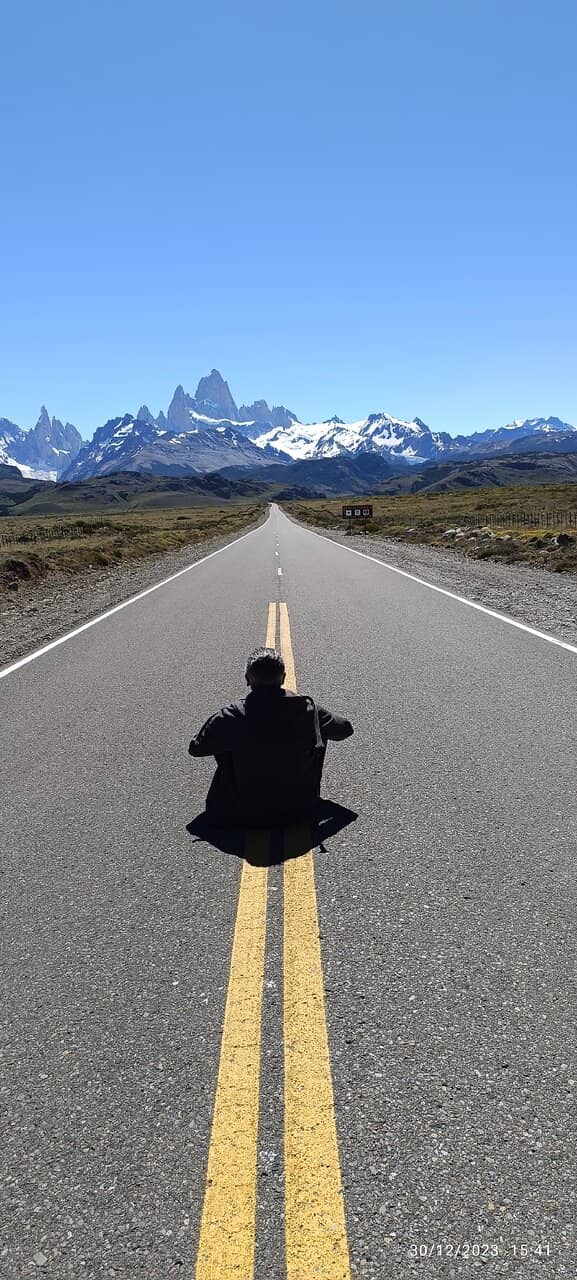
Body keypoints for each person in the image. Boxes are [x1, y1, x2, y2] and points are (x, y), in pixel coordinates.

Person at [188, 647, 354, 827]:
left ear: (247, 679)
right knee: (321, 730)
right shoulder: (307, 709)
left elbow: (196, 748)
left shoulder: (231, 715)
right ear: (283, 678)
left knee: (226, 739)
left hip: (242, 811)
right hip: (299, 810)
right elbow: (345, 729)